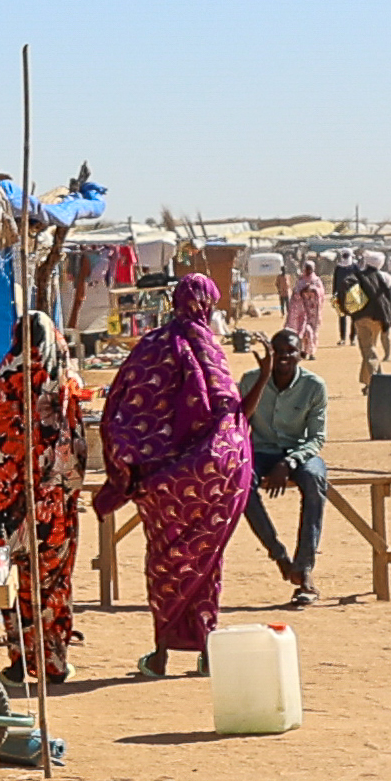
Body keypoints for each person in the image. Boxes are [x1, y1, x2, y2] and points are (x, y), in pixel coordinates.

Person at [95, 274, 254, 679]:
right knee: (205, 563)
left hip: (160, 483)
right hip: (206, 477)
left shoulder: (149, 345)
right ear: (207, 304)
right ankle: (206, 650)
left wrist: (132, 466)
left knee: (164, 562)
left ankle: (161, 652)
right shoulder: (209, 347)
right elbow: (225, 412)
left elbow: (121, 404)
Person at [0, 310, 88, 686]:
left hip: (3, 509)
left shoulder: (4, 383)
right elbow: (77, 451)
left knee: (12, 582)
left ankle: (19, 661)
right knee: (50, 587)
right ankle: (52, 662)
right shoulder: (66, 385)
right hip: (50, 511)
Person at [237, 326, 333, 606]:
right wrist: (263, 375)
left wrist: (289, 461)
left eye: (290, 351)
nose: (283, 357)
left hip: (298, 452)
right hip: (260, 451)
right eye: (277, 351)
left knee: (315, 480)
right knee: (239, 481)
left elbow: (316, 437)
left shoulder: (314, 386)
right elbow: (240, 422)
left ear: (301, 354)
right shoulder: (251, 380)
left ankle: (303, 570)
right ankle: (279, 555)